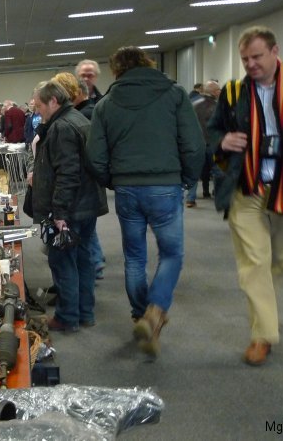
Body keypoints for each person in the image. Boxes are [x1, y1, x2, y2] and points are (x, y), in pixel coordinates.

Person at [86, 46, 204, 357]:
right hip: (166, 185)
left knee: (135, 259)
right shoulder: (175, 95)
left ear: (116, 71)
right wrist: (188, 179)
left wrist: (114, 180)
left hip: (127, 189)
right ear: (147, 63)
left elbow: (94, 156)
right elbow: (193, 144)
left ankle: (140, 315)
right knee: (172, 254)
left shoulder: (105, 104)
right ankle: (155, 312)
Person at [207, 26, 283, 366]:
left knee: (282, 261)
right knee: (254, 262)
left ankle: (266, 313)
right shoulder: (234, 92)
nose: (250, 64)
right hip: (246, 187)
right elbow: (213, 130)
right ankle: (263, 335)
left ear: (275, 52)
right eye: (245, 59)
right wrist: (222, 141)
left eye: (257, 57)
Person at [32, 80, 108, 333]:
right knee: (83, 261)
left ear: (53, 101)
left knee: (63, 261)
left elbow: (67, 173)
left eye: (39, 106)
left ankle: (67, 317)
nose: (38, 111)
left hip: (71, 208)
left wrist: (60, 212)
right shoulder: (78, 119)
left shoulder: (62, 127)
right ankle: (85, 313)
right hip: (87, 204)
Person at [186, 80, 221, 207]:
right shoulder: (217, 106)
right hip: (212, 143)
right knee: (217, 170)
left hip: (196, 143)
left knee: (195, 170)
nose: (220, 92)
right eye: (218, 90)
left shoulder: (193, 103)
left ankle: (190, 198)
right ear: (214, 92)